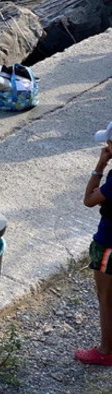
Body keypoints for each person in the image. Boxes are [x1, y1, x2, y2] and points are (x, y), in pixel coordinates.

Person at [75, 120, 112, 365]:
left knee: (106, 298)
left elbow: (89, 199)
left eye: (109, 141)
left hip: (109, 243)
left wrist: (100, 164)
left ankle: (106, 351)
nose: (107, 145)